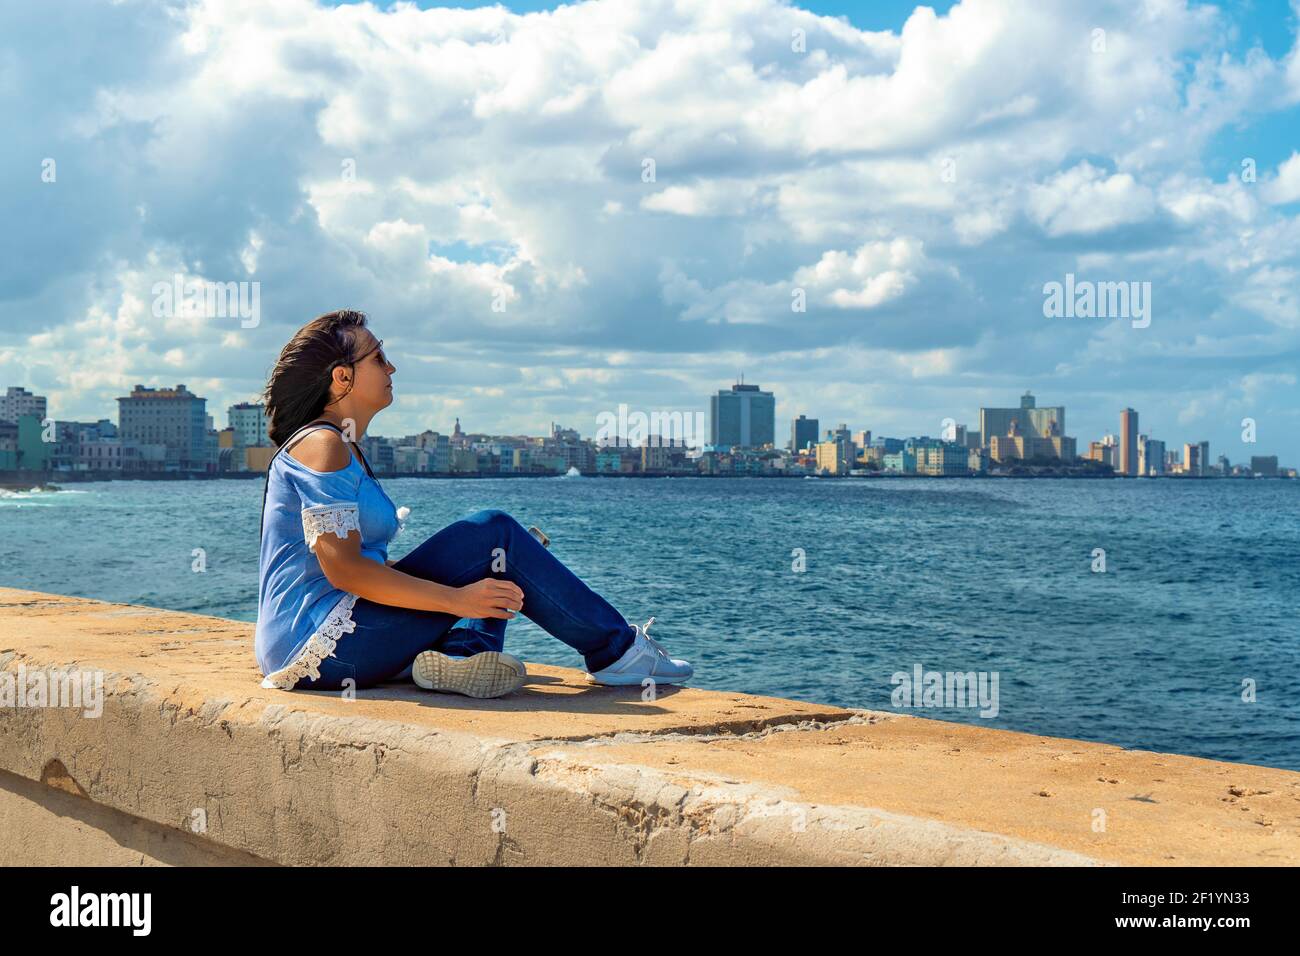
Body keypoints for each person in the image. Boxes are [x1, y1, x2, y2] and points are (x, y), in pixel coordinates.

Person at [254, 309, 692, 698]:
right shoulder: (322, 445)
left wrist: (465, 590)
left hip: (342, 639)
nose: (391, 366)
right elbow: (346, 570)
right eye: (377, 357)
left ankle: (462, 656)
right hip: (321, 649)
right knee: (494, 532)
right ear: (342, 377)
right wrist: (455, 600)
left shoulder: (343, 445)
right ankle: (618, 652)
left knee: (498, 555)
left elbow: (357, 568)